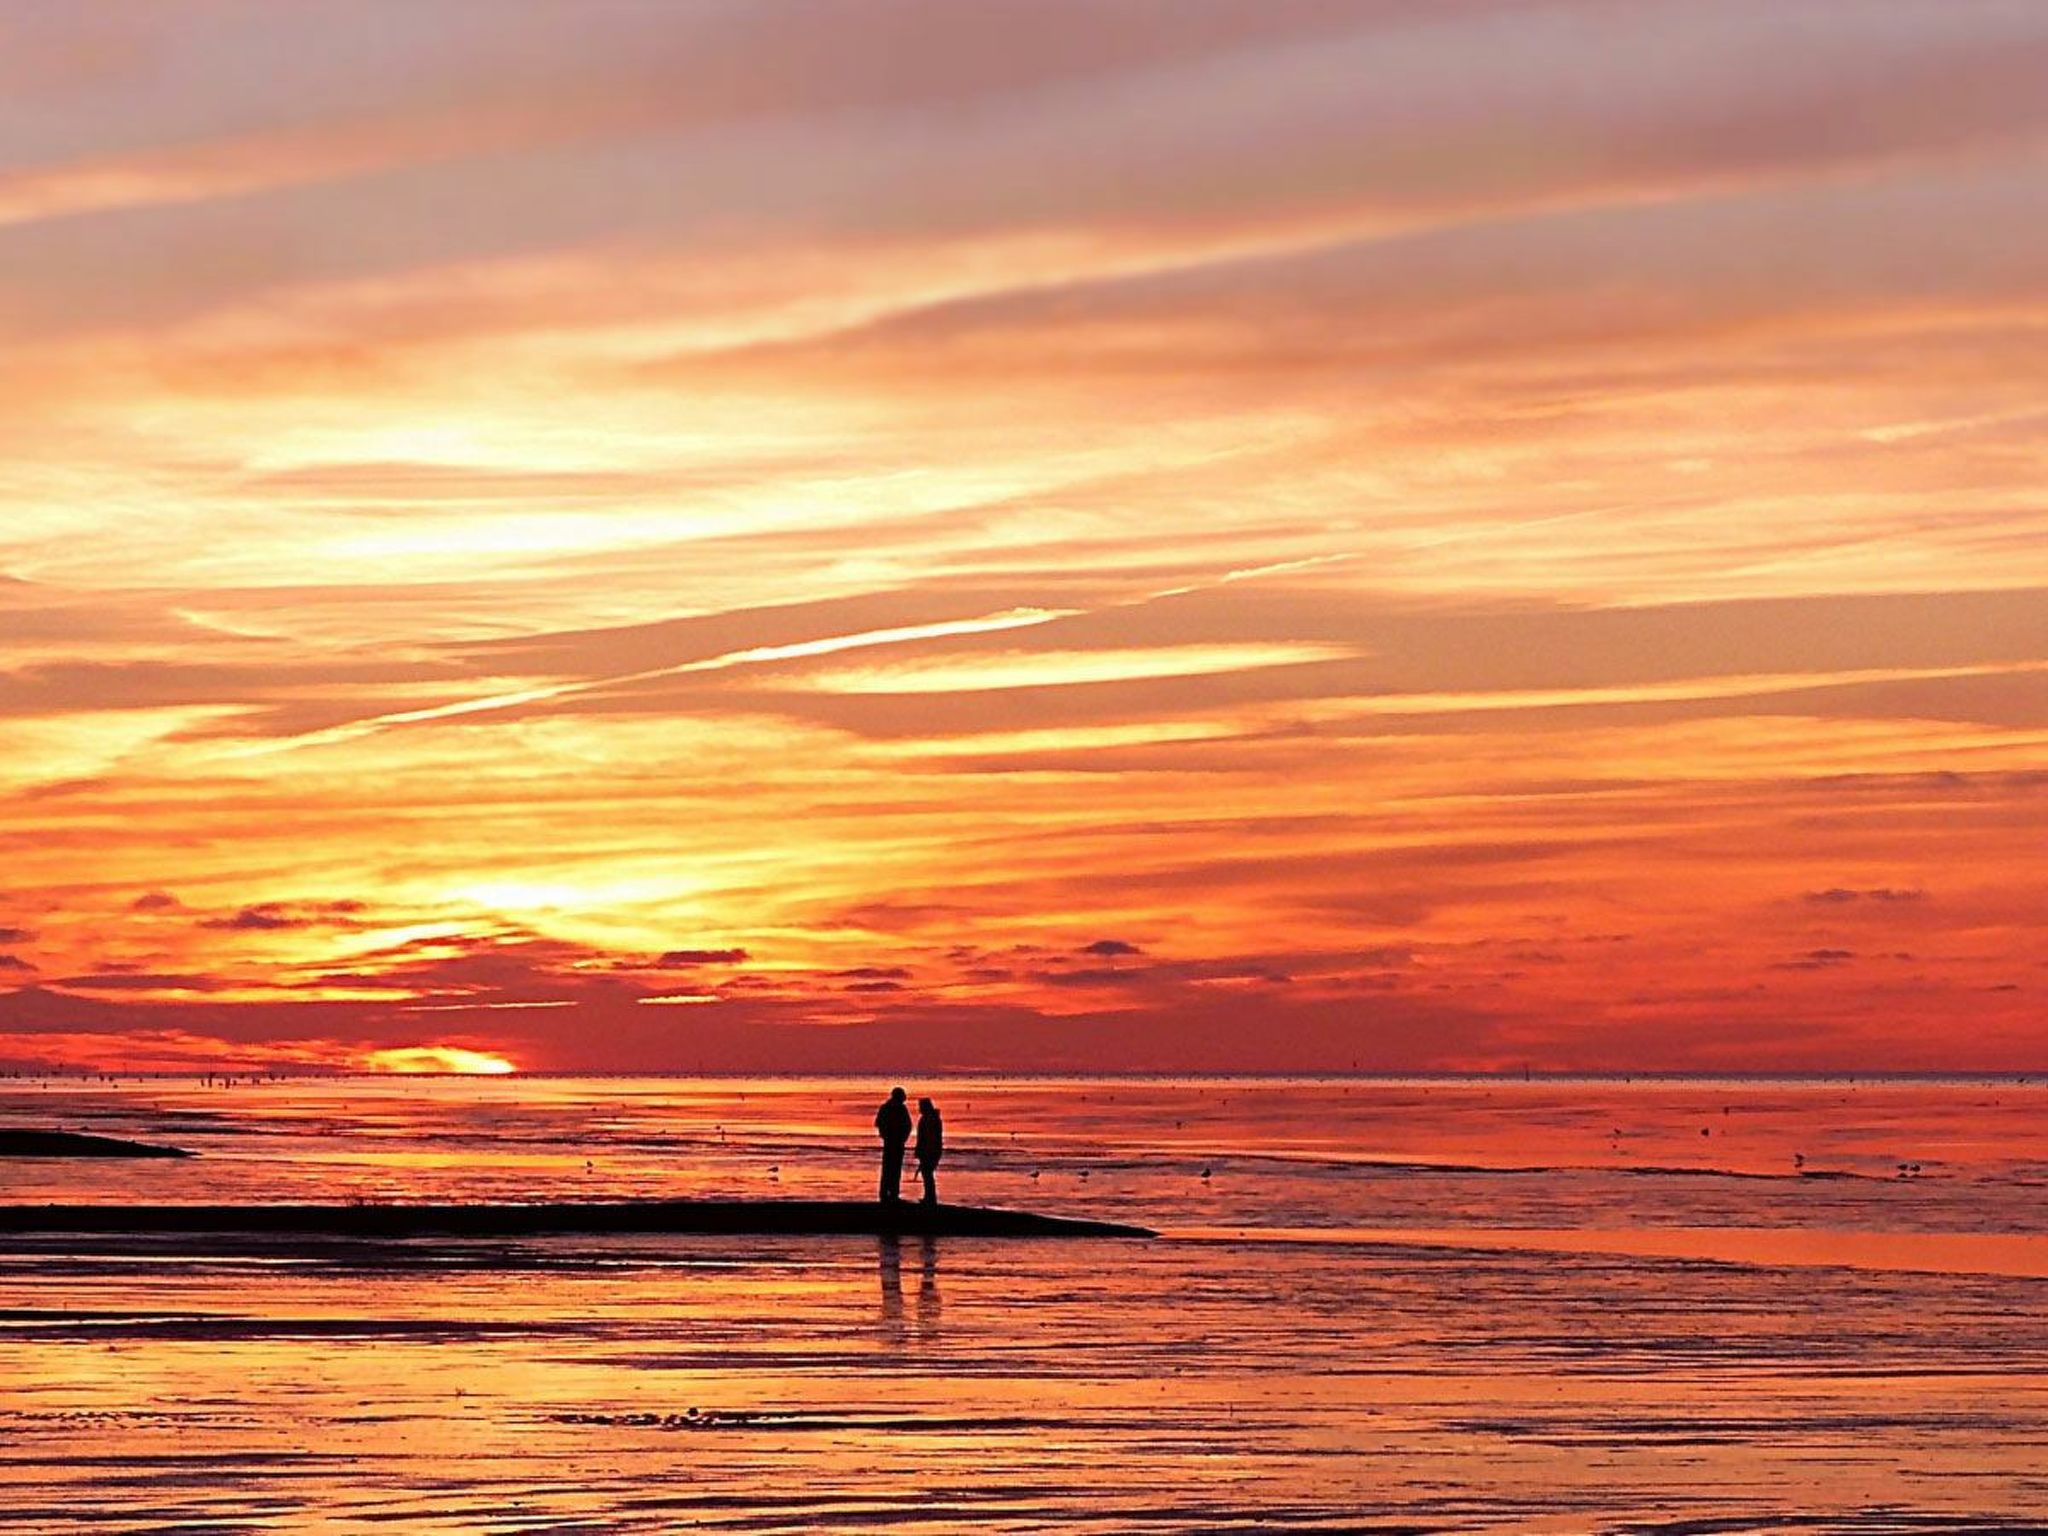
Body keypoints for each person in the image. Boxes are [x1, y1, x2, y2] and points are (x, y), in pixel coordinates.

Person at [875, 1086, 912, 1203]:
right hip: (894, 1142)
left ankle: (886, 1194)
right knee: (893, 1169)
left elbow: (878, 1123)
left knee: (889, 1168)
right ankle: (890, 1194)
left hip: (893, 1142)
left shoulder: (886, 1107)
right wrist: (901, 1137)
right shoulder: (899, 1109)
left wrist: (885, 1134)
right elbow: (908, 1125)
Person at [915, 1096, 943, 1206]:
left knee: (927, 1174)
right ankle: (929, 1197)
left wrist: (923, 1150)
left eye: (920, 1106)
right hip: (930, 1149)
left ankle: (930, 1198)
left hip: (930, 1150)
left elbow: (929, 1137)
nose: (919, 1109)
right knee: (927, 1174)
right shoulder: (929, 1118)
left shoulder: (930, 1119)